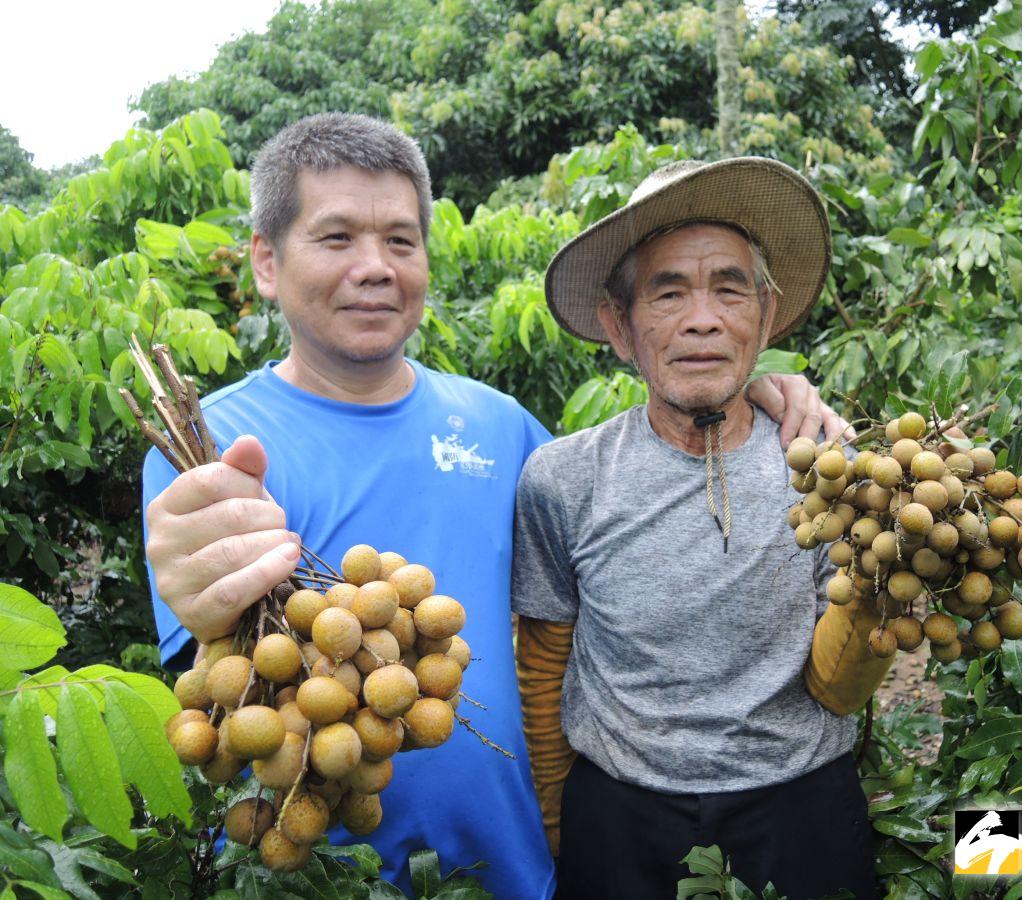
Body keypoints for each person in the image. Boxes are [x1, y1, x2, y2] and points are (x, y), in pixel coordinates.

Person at [141, 114, 850, 898]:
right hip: (333, 873)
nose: (375, 268)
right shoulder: (219, 453)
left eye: (402, 241)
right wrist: (201, 593)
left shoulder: (500, 425)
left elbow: (640, 487)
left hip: (525, 869)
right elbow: (219, 681)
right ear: (267, 262)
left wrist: (758, 392)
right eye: (337, 238)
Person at [512, 158, 894, 900]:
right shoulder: (562, 480)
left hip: (801, 805)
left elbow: (835, 687)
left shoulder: (831, 468)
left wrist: (889, 589)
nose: (702, 319)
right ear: (618, 328)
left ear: (766, 313)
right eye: (668, 291)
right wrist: (559, 821)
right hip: (620, 814)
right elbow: (544, 666)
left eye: (728, 287)